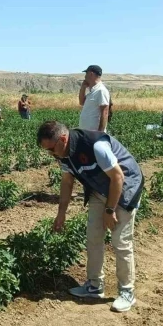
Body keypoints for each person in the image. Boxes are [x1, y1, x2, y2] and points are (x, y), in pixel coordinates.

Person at [37, 120, 143, 312]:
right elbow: (67, 183)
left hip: (125, 187)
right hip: (98, 190)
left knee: (120, 241)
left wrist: (110, 210)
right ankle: (94, 286)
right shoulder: (63, 154)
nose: (50, 154)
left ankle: (127, 292)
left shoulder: (96, 146)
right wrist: (61, 213)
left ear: (62, 139)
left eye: (51, 149)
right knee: (93, 237)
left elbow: (118, 177)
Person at [79, 65, 110, 132]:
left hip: (94, 134)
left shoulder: (101, 91)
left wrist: (100, 133)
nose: (85, 77)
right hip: (86, 133)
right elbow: (81, 102)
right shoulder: (93, 91)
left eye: (86, 74)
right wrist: (83, 88)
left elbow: (105, 112)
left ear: (91, 74)